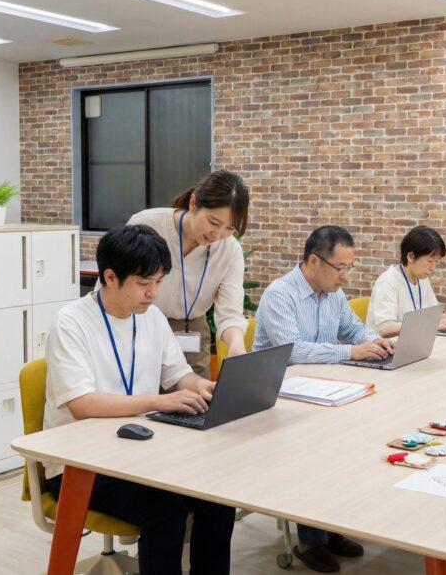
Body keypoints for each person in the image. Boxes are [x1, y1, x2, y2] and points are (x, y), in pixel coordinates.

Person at [43, 224, 235, 575]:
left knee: (218, 499)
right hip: (82, 465)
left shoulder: (151, 317)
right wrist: (157, 402)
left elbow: (178, 375)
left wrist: (201, 387)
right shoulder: (71, 323)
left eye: (159, 282)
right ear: (110, 277)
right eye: (144, 283)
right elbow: (82, 405)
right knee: (166, 511)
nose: (153, 293)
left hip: (141, 454)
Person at [254, 225, 395, 573]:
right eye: (340, 267)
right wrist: (350, 351)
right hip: (278, 397)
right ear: (314, 261)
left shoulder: (333, 294)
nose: (345, 276)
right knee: (312, 450)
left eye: (349, 267)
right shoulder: (280, 294)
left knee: (344, 446)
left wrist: (375, 342)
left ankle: (330, 529)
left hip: (320, 391)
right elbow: (292, 351)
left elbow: (353, 329)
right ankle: (310, 541)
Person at [127, 170, 250, 378]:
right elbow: (112, 290)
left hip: (191, 331)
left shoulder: (229, 250)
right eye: (213, 222)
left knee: (197, 395)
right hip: (139, 325)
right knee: (141, 390)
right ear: (193, 203)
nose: (218, 234)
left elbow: (229, 313)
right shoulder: (147, 225)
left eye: (230, 228)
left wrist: (236, 345)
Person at [366, 226, 446, 336]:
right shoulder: (388, 281)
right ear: (411, 256)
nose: (433, 268)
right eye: (430, 261)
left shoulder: (422, 278)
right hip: (389, 345)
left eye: (436, 262)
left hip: (415, 340)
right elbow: (385, 329)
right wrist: (431, 325)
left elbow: (432, 312)